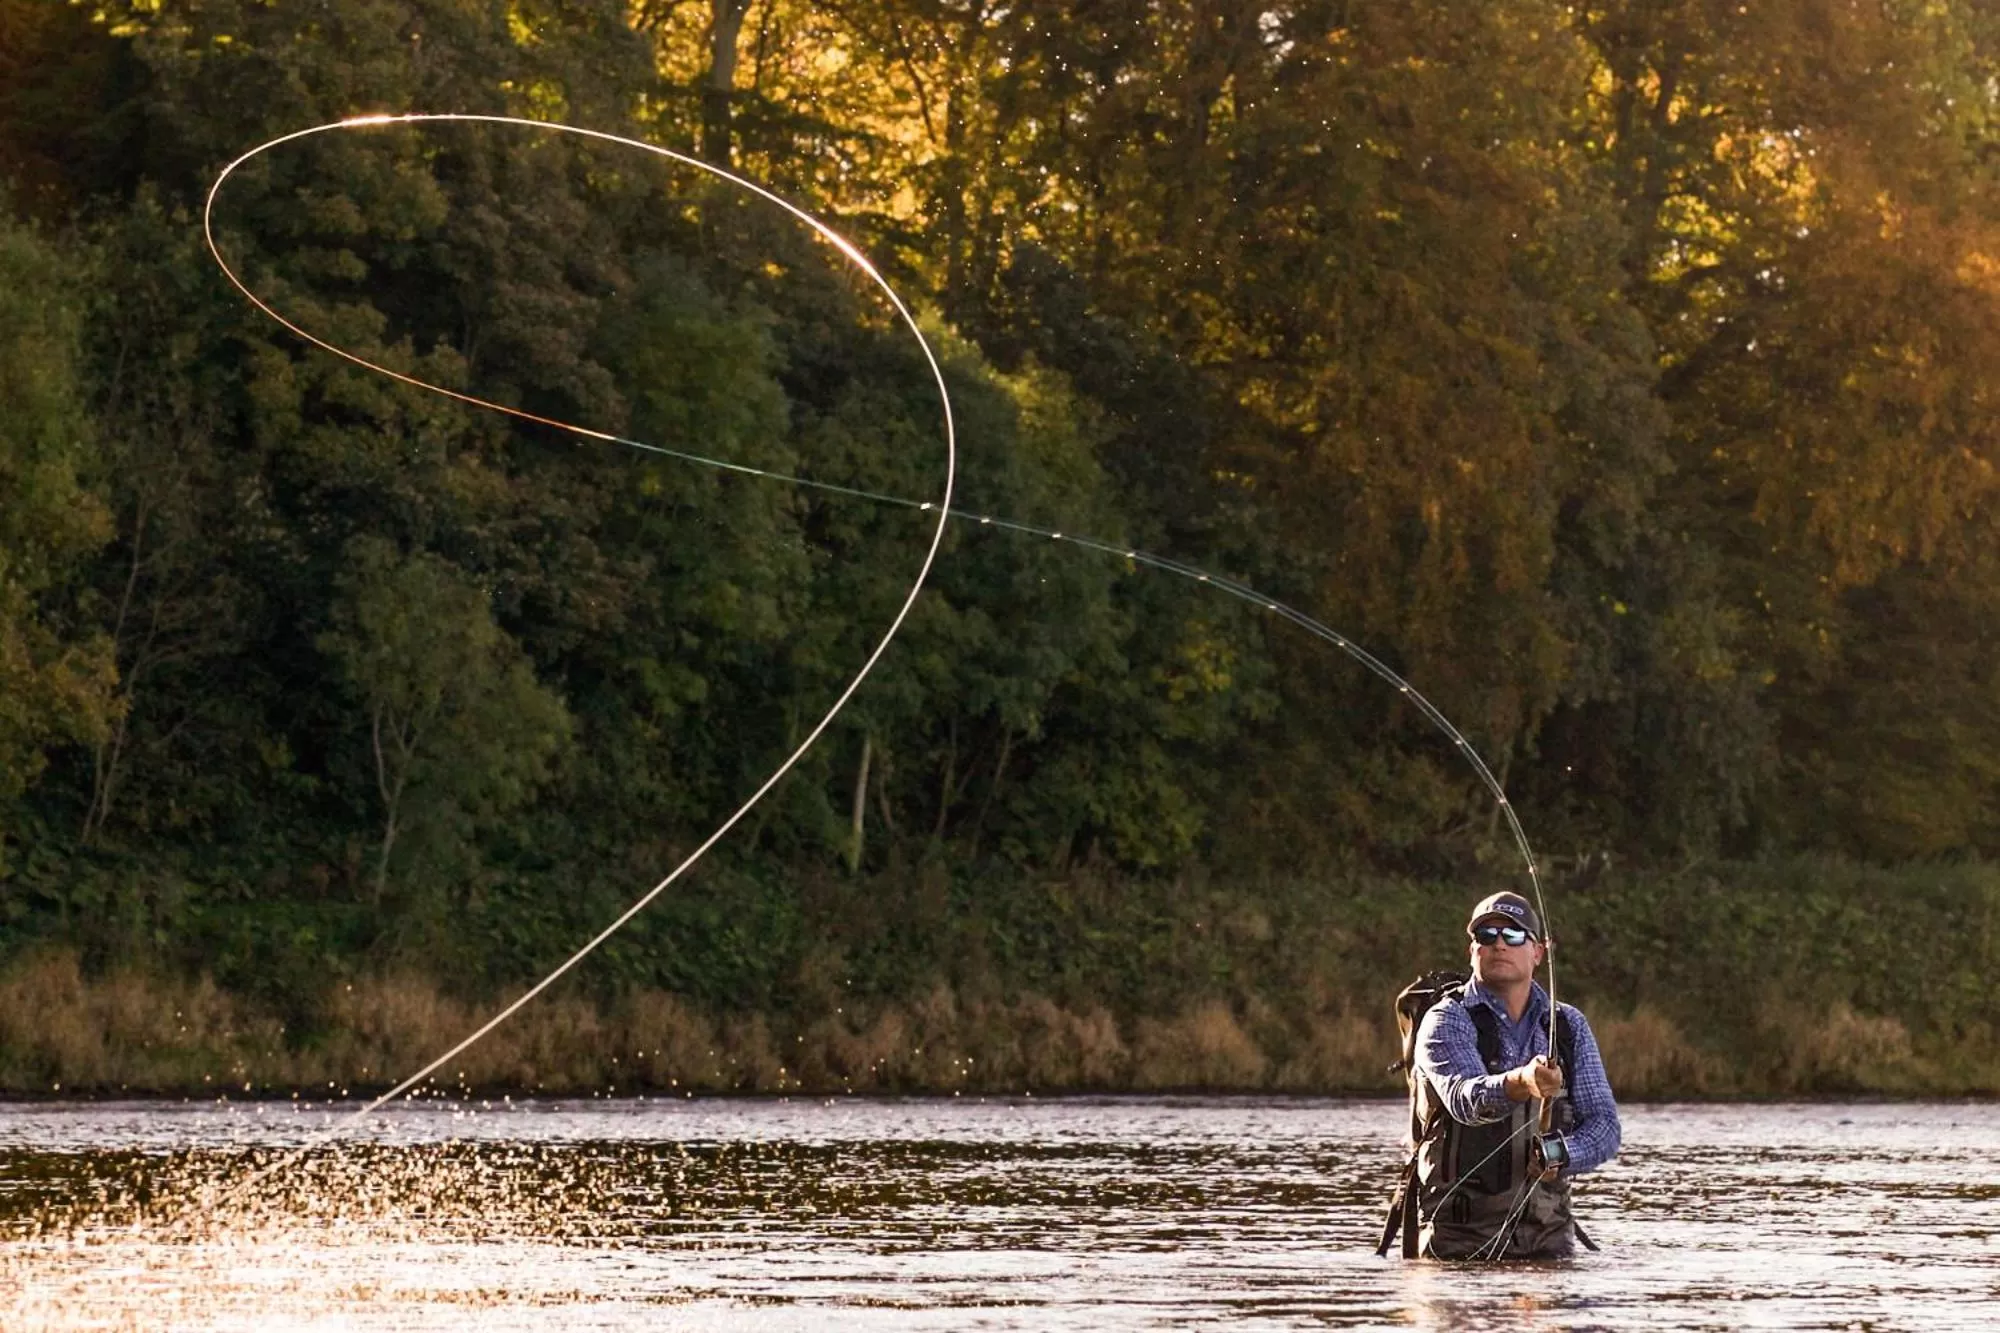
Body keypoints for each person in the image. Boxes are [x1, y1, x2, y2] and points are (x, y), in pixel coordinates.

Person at [1406, 890, 1621, 1259]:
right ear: (1472, 950)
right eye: (1486, 936)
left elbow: (1604, 1126)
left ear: (1538, 952)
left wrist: (1563, 1154)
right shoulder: (1446, 1019)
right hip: (1457, 1241)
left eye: (1514, 935)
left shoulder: (1567, 1026)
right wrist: (1522, 1082)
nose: (1499, 944)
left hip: (1548, 1238)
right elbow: (1464, 1099)